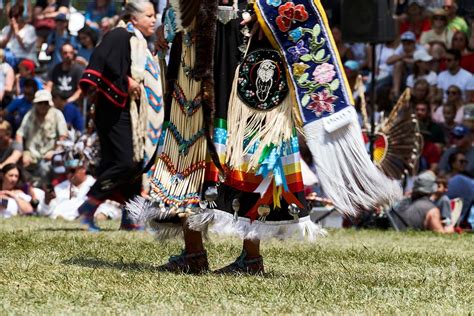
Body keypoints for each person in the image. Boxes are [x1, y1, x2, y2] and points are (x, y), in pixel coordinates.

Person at [78, 0, 163, 231]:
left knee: (135, 166)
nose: (153, 20)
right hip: (114, 110)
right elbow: (102, 62)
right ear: (134, 18)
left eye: (154, 15)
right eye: (148, 15)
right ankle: (90, 204)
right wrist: (125, 81)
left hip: (132, 112)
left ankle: (129, 217)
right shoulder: (119, 35)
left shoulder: (141, 42)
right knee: (127, 162)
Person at [15, 89, 68, 186]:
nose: (43, 106)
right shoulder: (30, 114)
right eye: (40, 103)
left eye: (45, 103)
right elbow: (20, 134)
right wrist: (22, 152)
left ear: (50, 103)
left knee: (45, 169)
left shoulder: (57, 114)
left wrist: (55, 152)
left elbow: (63, 136)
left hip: (49, 156)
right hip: (31, 155)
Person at [0, 3, 37, 68]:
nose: (13, 19)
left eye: (16, 16)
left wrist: (17, 32)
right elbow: (1, 46)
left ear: (21, 16)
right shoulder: (6, 29)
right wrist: (10, 32)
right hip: (9, 58)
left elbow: (26, 47)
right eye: (11, 16)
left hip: (25, 58)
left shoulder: (30, 29)